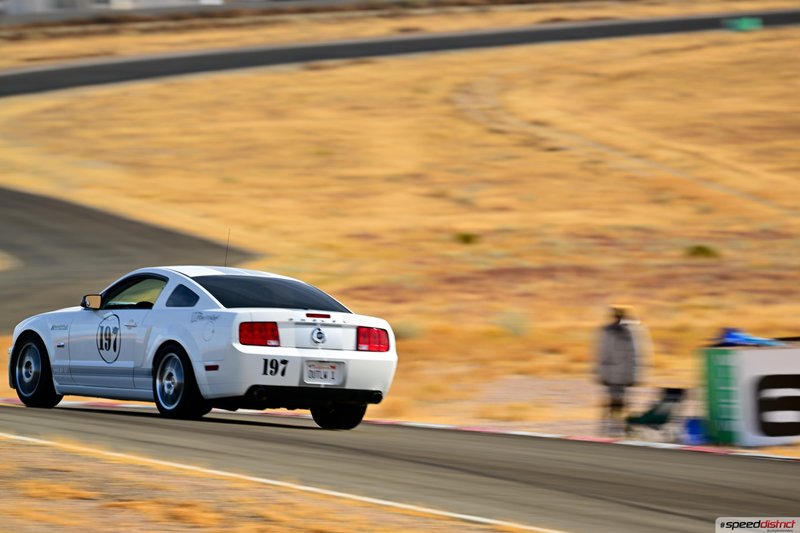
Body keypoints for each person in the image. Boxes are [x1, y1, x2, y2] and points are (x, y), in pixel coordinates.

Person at [595, 305, 647, 436]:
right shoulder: (611, 331)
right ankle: (612, 425)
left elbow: (636, 355)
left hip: (621, 373)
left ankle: (618, 425)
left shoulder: (629, 332)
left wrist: (635, 375)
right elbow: (602, 353)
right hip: (614, 373)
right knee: (613, 401)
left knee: (619, 402)